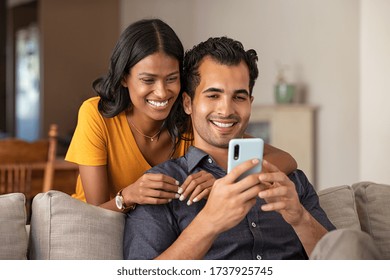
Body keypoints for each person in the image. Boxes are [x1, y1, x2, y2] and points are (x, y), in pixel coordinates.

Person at [123, 36, 336, 260]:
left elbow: (342, 262)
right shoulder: (162, 186)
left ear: (250, 104)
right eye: (213, 95)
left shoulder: (289, 181)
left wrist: (300, 218)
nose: (226, 110)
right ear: (188, 103)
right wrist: (209, 223)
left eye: (239, 97)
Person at [65, 19, 297, 212]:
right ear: (124, 78)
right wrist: (129, 195)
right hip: (99, 224)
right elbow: (94, 212)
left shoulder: (190, 119)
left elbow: (286, 160)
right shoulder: (96, 115)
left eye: (171, 78)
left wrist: (225, 178)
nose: (162, 91)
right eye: (148, 80)